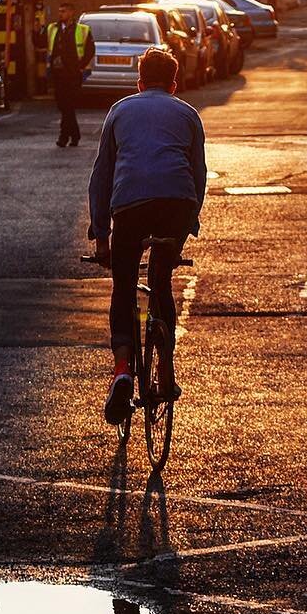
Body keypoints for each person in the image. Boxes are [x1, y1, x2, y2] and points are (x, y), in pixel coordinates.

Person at [87, 46, 207, 425]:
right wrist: (189, 224)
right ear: (174, 83)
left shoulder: (120, 111)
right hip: (177, 205)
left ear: (139, 82)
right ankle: (167, 366)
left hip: (130, 206)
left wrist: (101, 235)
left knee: (124, 284)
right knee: (161, 280)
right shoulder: (188, 113)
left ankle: (123, 369)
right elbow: (198, 174)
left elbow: (102, 176)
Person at [47, 3, 95, 147]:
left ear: (71, 13)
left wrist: (80, 67)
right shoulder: (53, 28)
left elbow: (90, 50)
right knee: (64, 106)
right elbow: (42, 43)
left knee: (68, 104)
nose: (60, 14)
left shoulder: (82, 30)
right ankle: (75, 134)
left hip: (73, 74)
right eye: (59, 11)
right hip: (58, 73)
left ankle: (64, 137)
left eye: (64, 11)